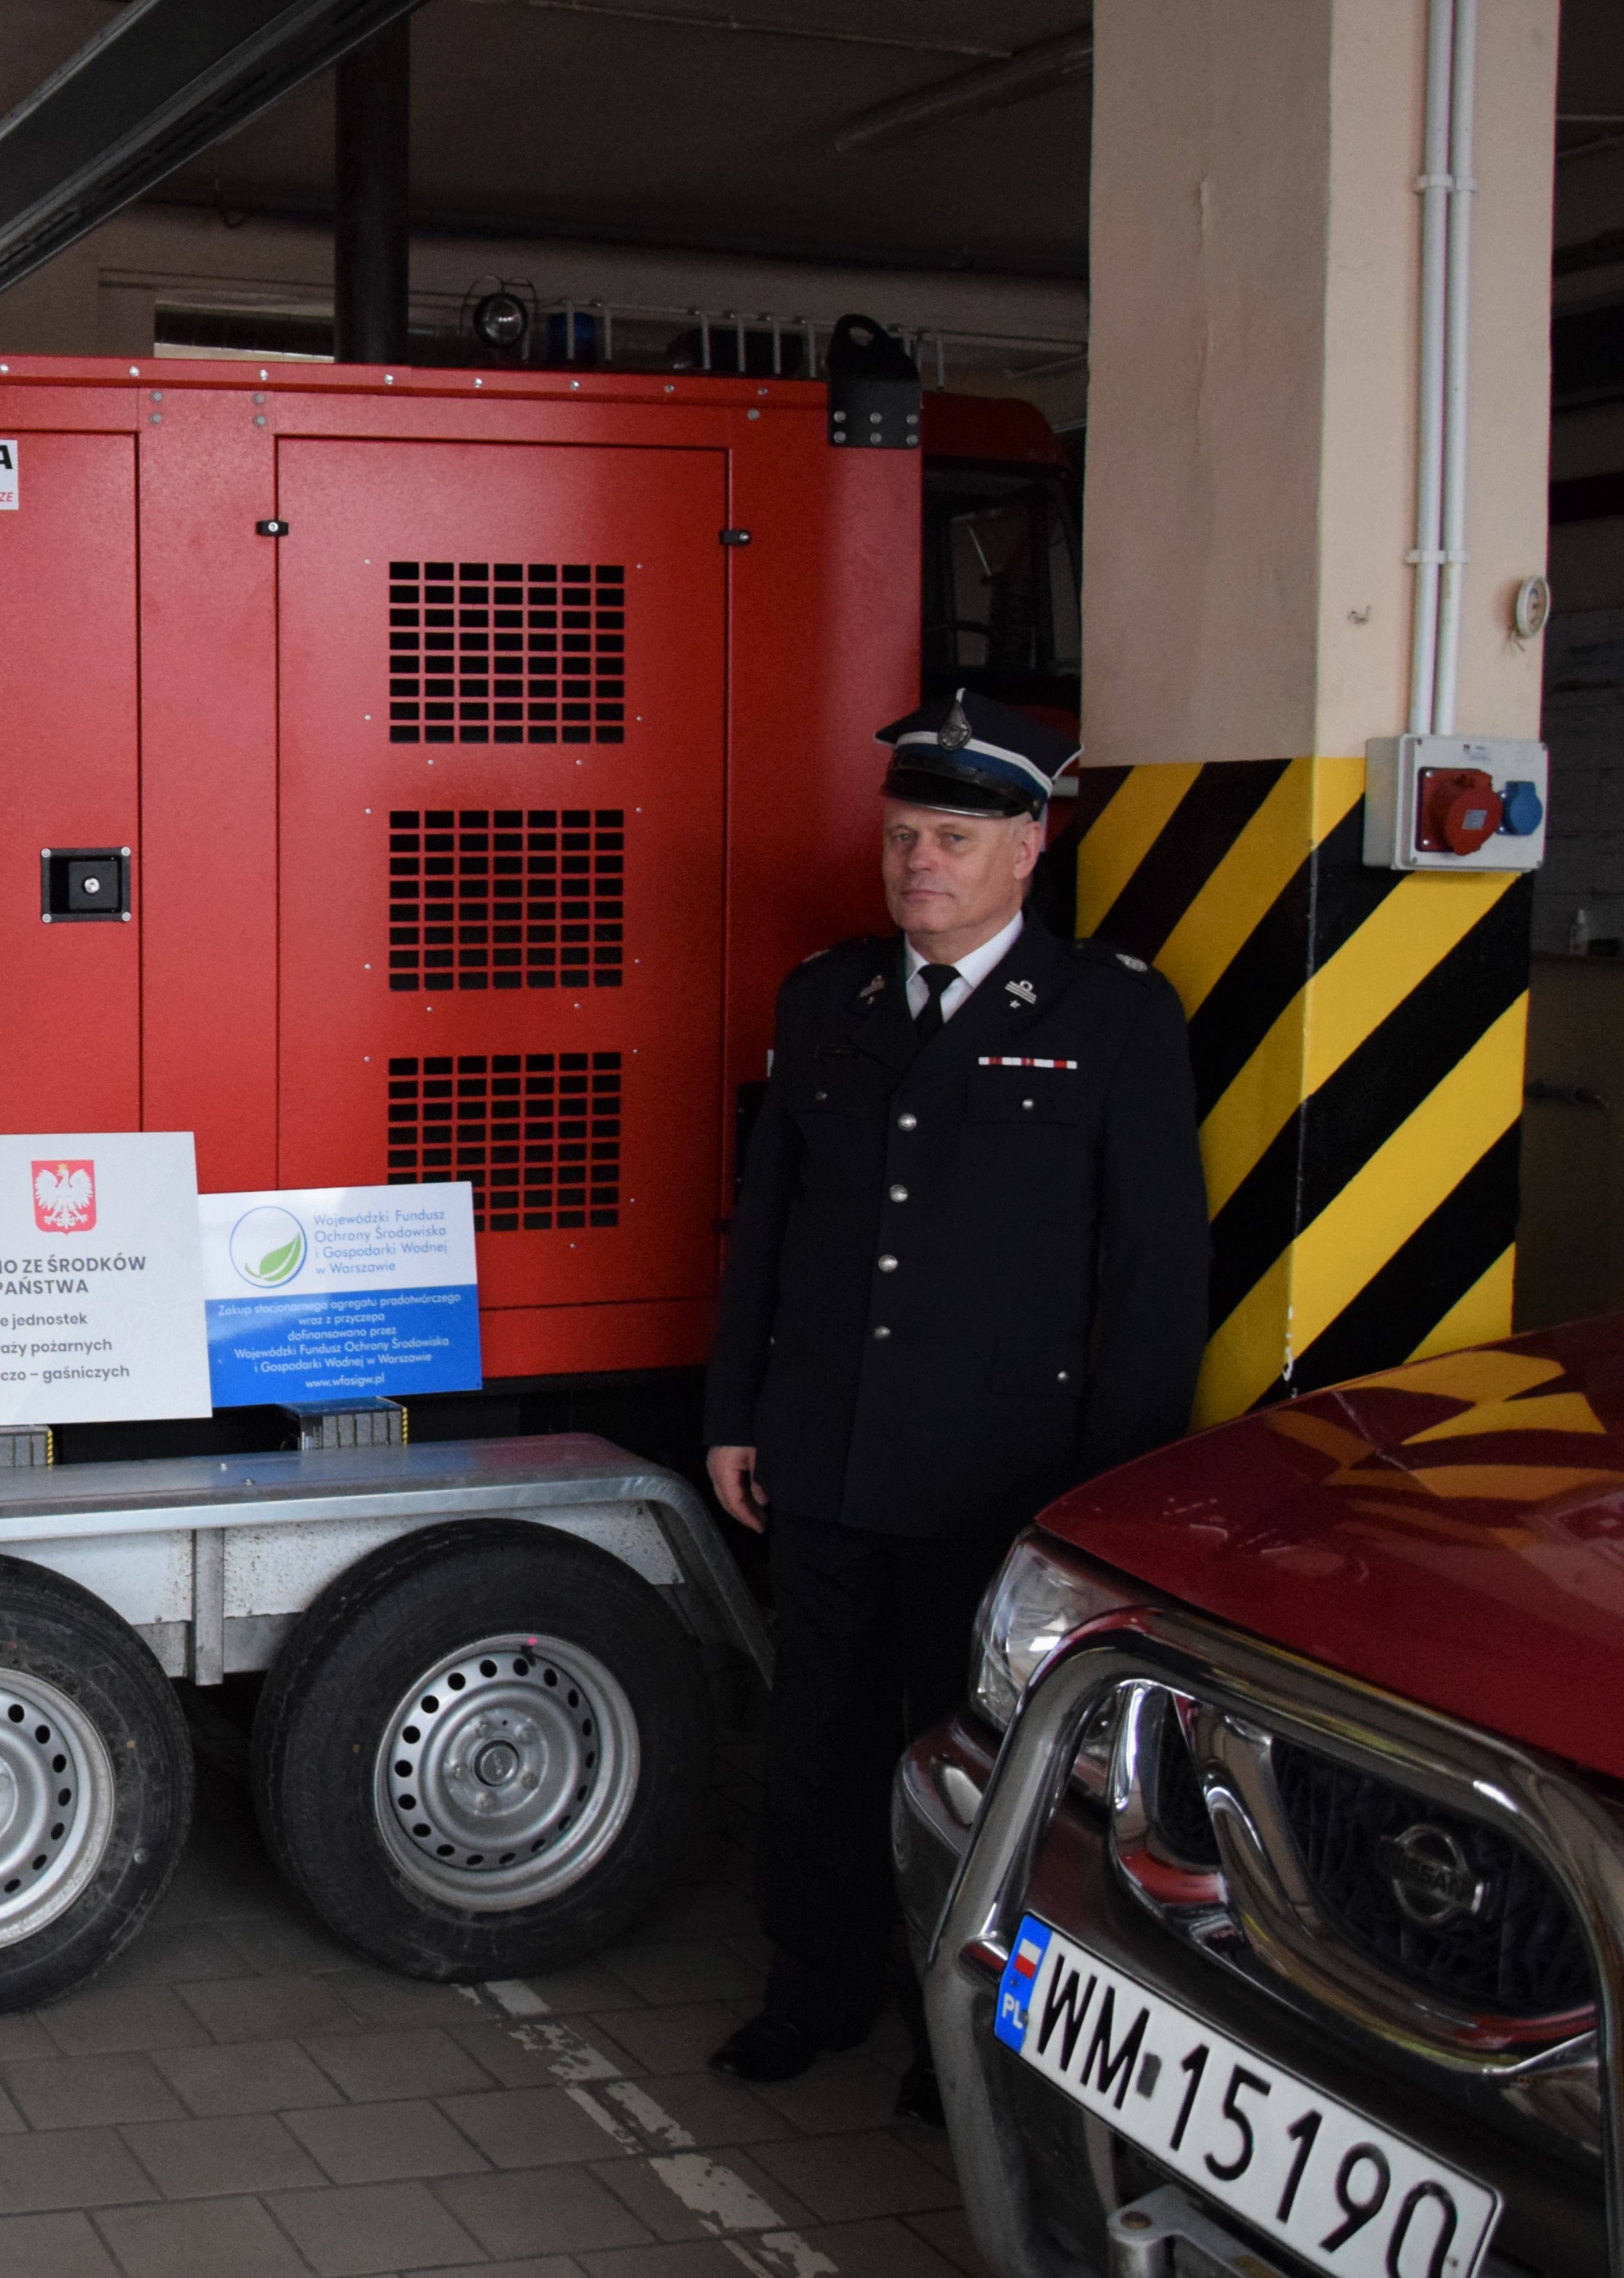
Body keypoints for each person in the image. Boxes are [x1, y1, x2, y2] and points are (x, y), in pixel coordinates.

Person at [700, 690, 1207, 2116]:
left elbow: (1153, 1273)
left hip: (1001, 1476)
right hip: (826, 1451)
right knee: (818, 1742)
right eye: (902, 835)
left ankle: (957, 2034)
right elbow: (770, 1224)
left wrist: (1111, 1495)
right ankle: (812, 1988)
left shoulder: (1111, 1014)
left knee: (976, 1768)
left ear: (1028, 846)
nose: (918, 862)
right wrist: (734, 1411)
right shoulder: (829, 1000)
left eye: (953, 838)